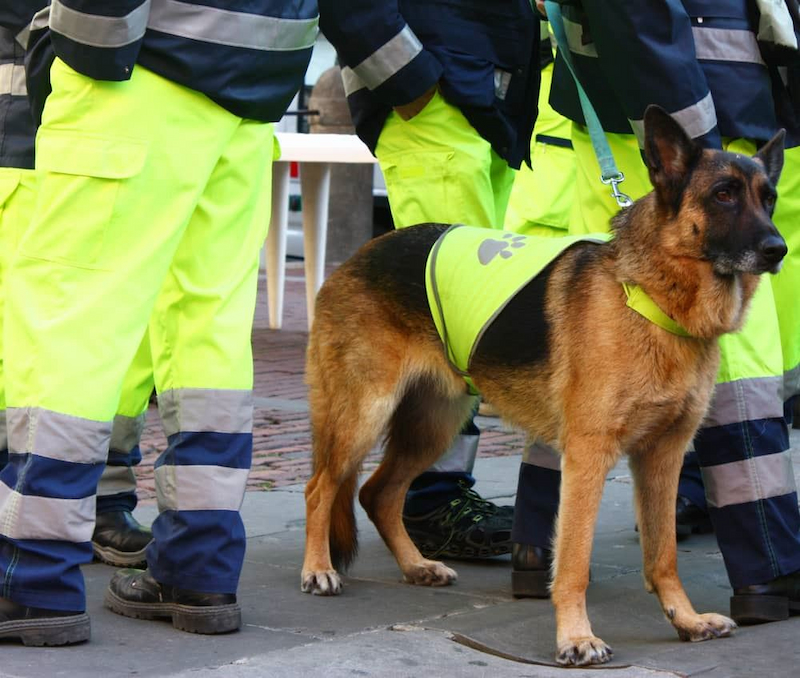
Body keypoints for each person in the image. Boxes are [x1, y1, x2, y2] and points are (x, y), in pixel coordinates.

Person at [0, 0, 318, 645]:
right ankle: (199, 570)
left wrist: (81, 45)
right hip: (254, 88)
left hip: (139, 72)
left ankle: (29, 577)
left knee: (74, 320)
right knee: (208, 335)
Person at [511, 0, 800, 624]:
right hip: (676, 113)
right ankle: (767, 564)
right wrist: (701, 150)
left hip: (701, 115)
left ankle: (536, 545)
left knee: (588, 376)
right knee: (710, 364)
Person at [318, 0, 541, 561]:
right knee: (445, 321)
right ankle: (432, 500)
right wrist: (409, 81)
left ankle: (432, 491)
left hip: (486, 103)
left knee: (471, 322)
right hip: (437, 95)